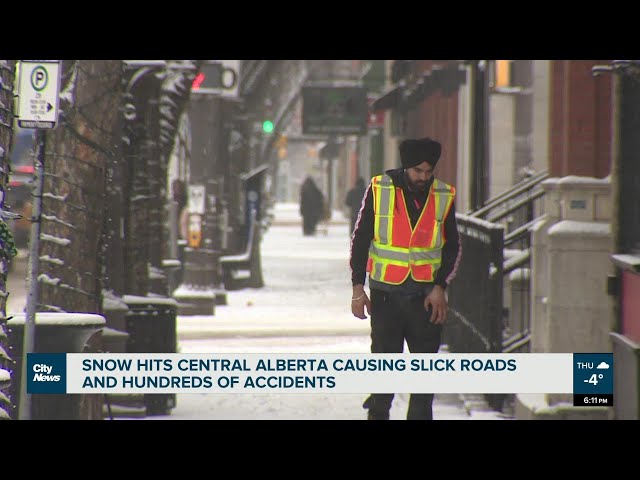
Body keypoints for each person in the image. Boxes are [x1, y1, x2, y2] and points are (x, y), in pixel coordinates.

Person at [349, 137, 462, 420]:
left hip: (426, 298)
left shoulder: (444, 194)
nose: (423, 177)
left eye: (428, 171)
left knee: (424, 377)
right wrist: (357, 287)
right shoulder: (379, 188)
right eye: (417, 171)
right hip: (386, 296)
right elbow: (361, 239)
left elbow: (453, 246)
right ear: (406, 167)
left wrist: (440, 286)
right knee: (384, 371)